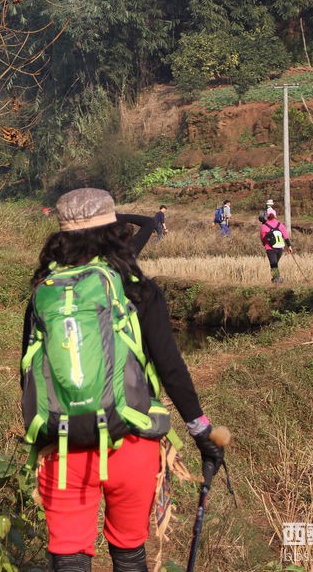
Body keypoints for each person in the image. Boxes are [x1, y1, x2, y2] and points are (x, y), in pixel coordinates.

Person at [22, 188, 225, 571]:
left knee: (69, 557)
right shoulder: (138, 290)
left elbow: (29, 374)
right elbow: (171, 369)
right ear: (115, 232)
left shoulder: (42, 296)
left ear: (60, 238)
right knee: (129, 552)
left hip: (63, 449)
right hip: (130, 442)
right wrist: (202, 433)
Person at [260, 211, 292, 283]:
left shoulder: (263, 226)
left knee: (273, 264)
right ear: (275, 216)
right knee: (275, 263)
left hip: (270, 248)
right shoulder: (280, 225)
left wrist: (265, 245)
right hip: (280, 247)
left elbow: (263, 238)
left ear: (267, 216)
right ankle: (277, 279)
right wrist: (289, 246)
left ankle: (276, 279)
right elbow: (286, 236)